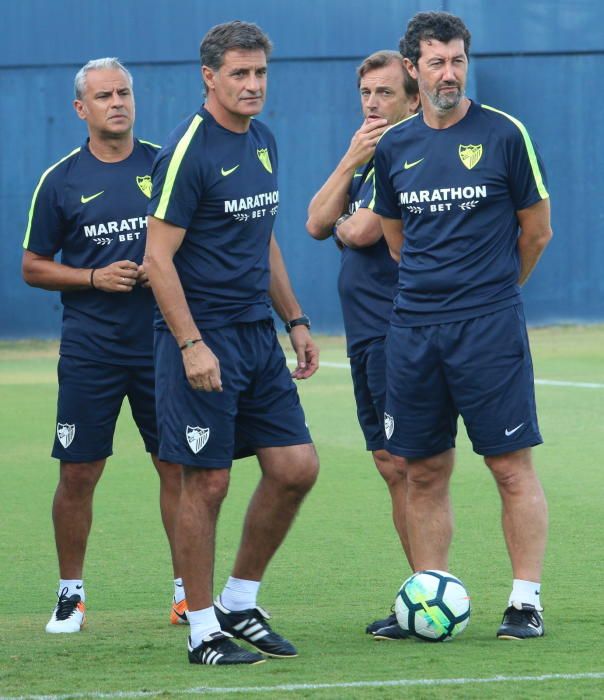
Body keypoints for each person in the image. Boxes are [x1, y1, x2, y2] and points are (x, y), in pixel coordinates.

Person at [144, 20, 320, 666]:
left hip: (256, 335)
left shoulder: (265, 142)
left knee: (296, 467)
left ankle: (240, 602)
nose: (252, 86)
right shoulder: (188, 150)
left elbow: (262, 237)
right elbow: (157, 259)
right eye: (240, 74)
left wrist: (295, 320)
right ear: (209, 77)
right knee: (207, 483)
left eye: (260, 74)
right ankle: (200, 630)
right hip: (201, 334)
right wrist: (191, 344)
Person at [373, 11, 552, 640]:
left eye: (457, 61)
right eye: (436, 63)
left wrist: (496, 292)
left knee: (509, 466)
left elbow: (537, 231)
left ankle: (524, 601)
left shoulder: (505, 134)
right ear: (413, 69)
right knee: (420, 471)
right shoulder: (394, 147)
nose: (449, 74)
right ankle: (427, 596)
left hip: (489, 328)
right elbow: (396, 241)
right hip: (415, 330)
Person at [22, 58, 184, 634]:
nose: (117, 102)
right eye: (103, 95)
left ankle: (186, 591)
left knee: (177, 467)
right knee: (79, 472)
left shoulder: (167, 165)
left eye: (124, 92)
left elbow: (198, 237)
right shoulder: (60, 180)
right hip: (92, 350)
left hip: (162, 343)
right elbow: (32, 266)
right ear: (80, 109)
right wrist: (94, 278)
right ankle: (71, 593)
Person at [306, 51, 419, 641]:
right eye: (366, 94)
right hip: (364, 335)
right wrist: (352, 157)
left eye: (384, 93)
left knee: (407, 464)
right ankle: (424, 589)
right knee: (387, 464)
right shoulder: (369, 161)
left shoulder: (408, 157)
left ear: (413, 98)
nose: (373, 104)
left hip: (397, 330)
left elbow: (355, 229)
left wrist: (350, 200)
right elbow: (314, 221)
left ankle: (428, 592)